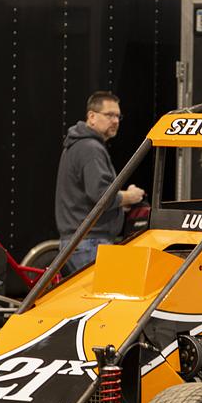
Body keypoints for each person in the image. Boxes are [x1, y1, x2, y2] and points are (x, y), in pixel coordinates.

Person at [54, 91, 144, 273]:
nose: (116, 121)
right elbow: (102, 196)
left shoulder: (78, 144)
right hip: (90, 243)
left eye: (118, 116)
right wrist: (130, 196)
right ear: (92, 117)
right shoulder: (90, 148)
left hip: (80, 242)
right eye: (110, 115)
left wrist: (120, 203)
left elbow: (90, 195)